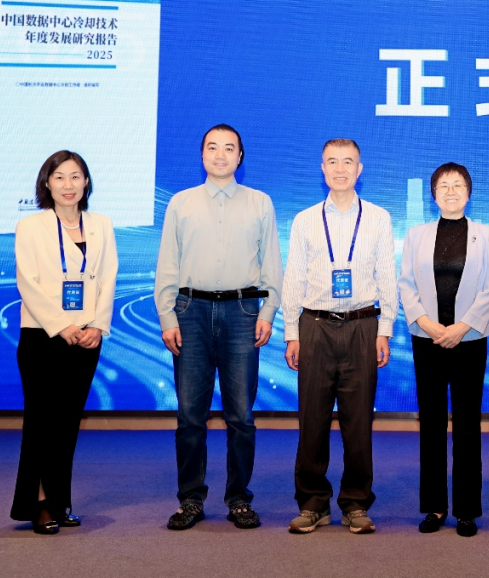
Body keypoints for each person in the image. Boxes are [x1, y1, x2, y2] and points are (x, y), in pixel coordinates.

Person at [154, 124, 283, 530]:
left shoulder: (260, 202)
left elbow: (271, 264)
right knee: (190, 415)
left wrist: (268, 312)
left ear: (240, 157)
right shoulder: (181, 203)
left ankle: (239, 498)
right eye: (213, 147)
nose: (221, 155)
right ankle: (190, 499)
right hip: (189, 310)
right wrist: (167, 316)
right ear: (202, 155)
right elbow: (168, 264)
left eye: (229, 148)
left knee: (240, 415)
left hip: (243, 311)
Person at [281, 139, 397, 534]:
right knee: (312, 419)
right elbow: (294, 278)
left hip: (363, 326)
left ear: (359, 169)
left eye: (348, 162)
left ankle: (356, 503)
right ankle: (313, 502)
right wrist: (291, 332)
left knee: (358, 421)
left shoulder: (378, 218)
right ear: (322, 168)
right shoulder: (305, 220)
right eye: (332, 161)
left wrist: (385, 328)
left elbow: (387, 275)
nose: (340, 168)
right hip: (314, 326)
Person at [11, 150, 118, 534]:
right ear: (47, 183)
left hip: (87, 338)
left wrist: (97, 326)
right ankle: (38, 503)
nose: (68, 185)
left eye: (75, 176)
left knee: (68, 423)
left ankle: (59, 501)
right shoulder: (31, 226)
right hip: (42, 336)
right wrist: (62, 326)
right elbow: (27, 283)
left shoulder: (102, 224)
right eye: (59, 177)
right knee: (42, 422)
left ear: (86, 182)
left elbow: (108, 278)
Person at [398, 162, 489, 537]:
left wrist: (462, 327)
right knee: (431, 423)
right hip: (427, 340)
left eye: (458, 185)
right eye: (443, 185)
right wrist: (427, 324)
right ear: (433, 194)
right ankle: (435, 506)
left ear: (469, 193)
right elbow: (406, 284)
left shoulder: (486, 235)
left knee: (468, 425)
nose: (451, 191)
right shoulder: (416, 235)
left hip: (469, 341)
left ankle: (467, 509)